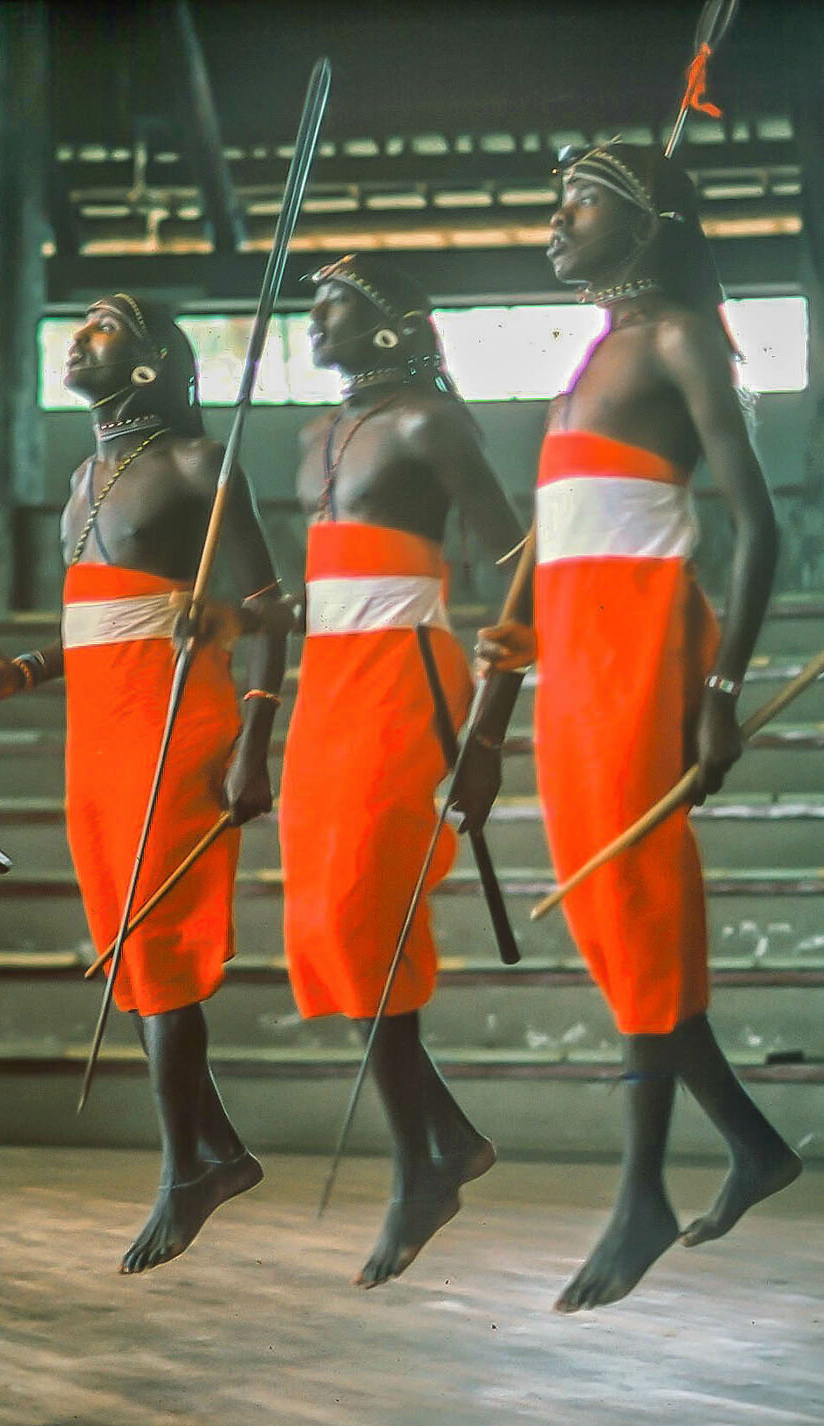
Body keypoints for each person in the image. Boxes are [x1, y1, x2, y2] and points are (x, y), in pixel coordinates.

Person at [489, 143, 801, 1312]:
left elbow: (760, 529)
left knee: (637, 905)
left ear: (650, 221)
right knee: (617, 916)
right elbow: (562, 528)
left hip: (645, 663)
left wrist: (718, 696)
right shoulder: (595, 354)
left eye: (581, 204)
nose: (556, 224)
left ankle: (640, 1194)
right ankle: (753, 1145)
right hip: (576, 667)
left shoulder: (676, 338)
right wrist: (512, 648)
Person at [0, 295, 289, 1275]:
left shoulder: (199, 464)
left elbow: (271, 612)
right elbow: (94, 625)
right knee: (130, 940)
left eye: (103, 327)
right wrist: (22, 673)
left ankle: (186, 1166)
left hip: (177, 725)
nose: (78, 338)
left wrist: (254, 744)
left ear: (151, 362)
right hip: (97, 733)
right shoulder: (82, 474)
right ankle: (214, 1152)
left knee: (157, 937)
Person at [286, 254, 523, 1287]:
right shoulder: (314, 435)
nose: (314, 321)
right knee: (328, 923)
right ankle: (448, 1140)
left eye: (334, 304)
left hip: (405, 678)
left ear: (393, 322)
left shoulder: (434, 422)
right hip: (324, 686)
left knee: (366, 913)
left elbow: (522, 563)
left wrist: (486, 733)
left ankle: (414, 1168)